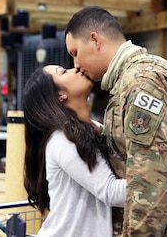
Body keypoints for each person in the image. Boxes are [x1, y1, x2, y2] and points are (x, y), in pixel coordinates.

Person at [65, 6, 167, 236]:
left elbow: (150, 184)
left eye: (75, 52)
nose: (76, 65)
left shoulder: (139, 83)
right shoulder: (138, 76)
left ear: (94, 40)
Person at [22, 65, 126, 236]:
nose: (75, 68)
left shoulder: (94, 128)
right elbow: (111, 191)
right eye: (63, 72)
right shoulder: (64, 139)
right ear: (60, 95)